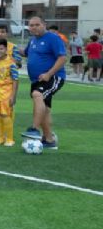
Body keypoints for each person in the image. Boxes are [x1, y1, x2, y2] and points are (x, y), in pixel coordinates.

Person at [22, 16, 66, 149]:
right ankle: (49, 140)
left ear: (44, 24)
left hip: (53, 77)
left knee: (37, 95)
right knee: (44, 110)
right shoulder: (33, 40)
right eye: (31, 25)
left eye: (37, 24)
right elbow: (25, 53)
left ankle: (34, 129)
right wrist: (7, 48)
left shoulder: (53, 38)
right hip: (37, 79)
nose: (34, 27)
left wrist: (48, 74)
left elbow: (62, 58)